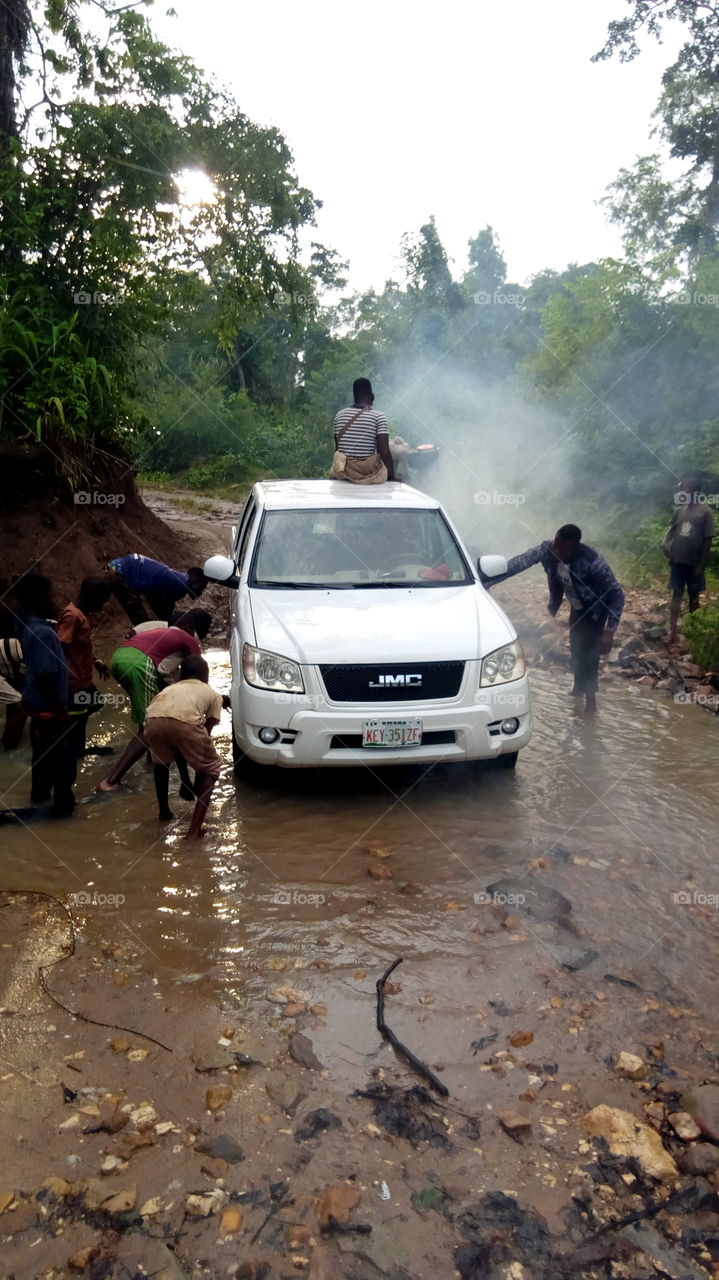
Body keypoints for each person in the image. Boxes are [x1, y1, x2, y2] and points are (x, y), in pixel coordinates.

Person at [485, 524, 625, 714]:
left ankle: (591, 705)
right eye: (555, 545)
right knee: (576, 648)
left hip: (596, 610)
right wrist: (486, 580)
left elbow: (616, 593)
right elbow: (519, 563)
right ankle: (577, 689)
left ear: (575, 547)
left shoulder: (592, 562)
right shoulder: (547, 549)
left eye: (563, 548)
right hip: (577, 606)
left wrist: (610, 631)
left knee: (589, 655)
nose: (557, 552)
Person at [97, 620, 204, 792]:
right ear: (192, 630)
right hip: (139, 663)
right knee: (151, 726)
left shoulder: (162, 632)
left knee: (149, 714)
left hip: (119, 658)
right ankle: (110, 781)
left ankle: (151, 761)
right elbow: (199, 676)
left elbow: (157, 680)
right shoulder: (187, 638)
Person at [13, 574, 76, 818]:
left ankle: (39, 801)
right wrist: (61, 708)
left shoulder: (27, 625)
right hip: (51, 709)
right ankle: (63, 814)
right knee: (63, 766)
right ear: (38, 597)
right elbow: (49, 672)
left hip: (38, 706)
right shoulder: (44, 633)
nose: (53, 600)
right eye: (50, 595)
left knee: (42, 761)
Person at [143, 654, 222, 839]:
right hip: (185, 722)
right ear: (205, 675)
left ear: (182, 675)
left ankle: (164, 813)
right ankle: (194, 832)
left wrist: (188, 781)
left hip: (153, 718)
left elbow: (177, 740)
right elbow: (205, 737)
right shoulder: (212, 693)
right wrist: (196, 779)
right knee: (212, 768)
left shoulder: (169, 689)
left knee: (161, 763)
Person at [57, 575, 112, 757]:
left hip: (83, 678)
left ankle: (78, 750)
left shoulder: (84, 616)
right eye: (101, 602)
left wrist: (95, 660)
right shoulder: (72, 616)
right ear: (93, 597)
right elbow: (60, 647)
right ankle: (73, 753)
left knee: (91, 707)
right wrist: (64, 682)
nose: (102, 607)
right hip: (74, 681)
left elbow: (80, 646)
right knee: (77, 718)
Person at [662, 476, 715, 646]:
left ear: (693, 491)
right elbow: (671, 531)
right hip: (678, 561)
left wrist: (701, 565)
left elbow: (708, 542)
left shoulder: (706, 512)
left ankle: (695, 635)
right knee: (676, 594)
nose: (681, 492)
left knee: (694, 597)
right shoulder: (679, 510)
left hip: (694, 562)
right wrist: (665, 545)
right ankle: (673, 633)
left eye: (684, 489)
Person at [105, 554, 208, 625]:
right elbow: (162, 605)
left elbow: (154, 597)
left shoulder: (179, 578)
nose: (201, 592)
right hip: (120, 573)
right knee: (141, 621)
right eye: (202, 588)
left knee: (144, 617)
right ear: (196, 583)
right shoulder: (182, 586)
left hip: (117, 566)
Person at [330, 378, 395, 484]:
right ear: (372, 396)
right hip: (366, 473)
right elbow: (383, 451)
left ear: (354, 396)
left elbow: (339, 448)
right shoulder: (379, 416)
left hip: (342, 471)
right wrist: (392, 477)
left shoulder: (339, 415)